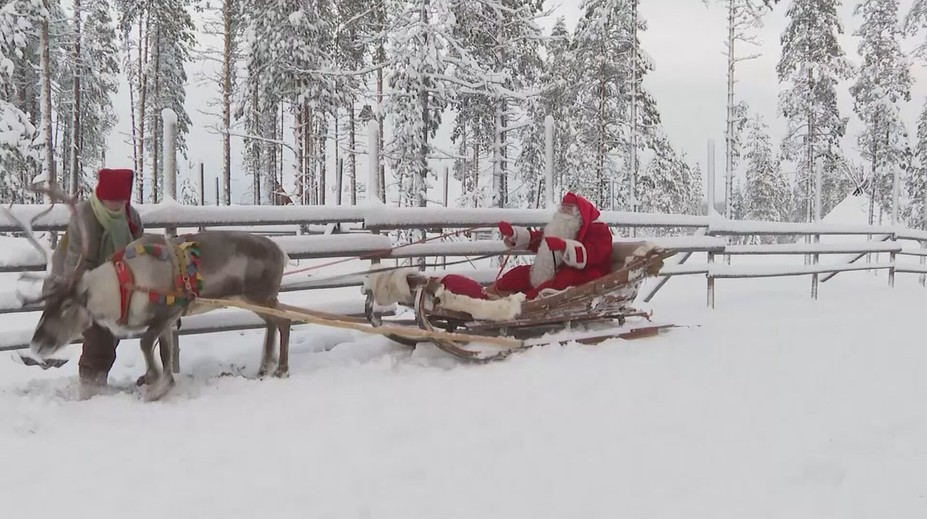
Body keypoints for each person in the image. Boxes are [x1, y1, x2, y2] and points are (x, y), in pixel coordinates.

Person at [44, 168, 144, 396]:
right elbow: (75, 264)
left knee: (120, 328)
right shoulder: (85, 217)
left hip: (118, 285)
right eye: (111, 199)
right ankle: (91, 385)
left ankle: (103, 376)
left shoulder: (131, 218)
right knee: (99, 332)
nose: (116, 204)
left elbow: (139, 252)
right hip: (73, 286)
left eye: (121, 199)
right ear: (101, 195)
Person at [440, 192, 614, 301]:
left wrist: (564, 247)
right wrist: (515, 235)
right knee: (521, 272)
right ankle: (489, 294)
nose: (563, 213)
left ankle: (524, 304)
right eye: (562, 209)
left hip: (587, 275)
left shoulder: (599, 230)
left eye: (568, 210)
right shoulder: (567, 226)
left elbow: (595, 254)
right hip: (560, 269)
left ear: (579, 213)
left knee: (561, 281)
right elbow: (541, 241)